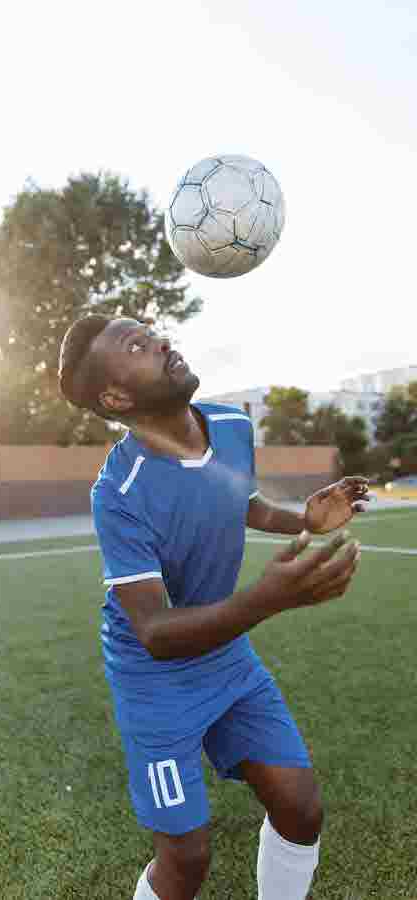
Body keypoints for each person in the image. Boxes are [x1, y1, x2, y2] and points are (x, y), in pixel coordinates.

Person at [58, 314, 368, 900]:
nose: (161, 342)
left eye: (151, 331)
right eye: (137, 345)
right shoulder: (119, 494)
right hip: (155, 680)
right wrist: (266, 599)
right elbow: (152, 630)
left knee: (300, 808)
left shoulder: (229, 424)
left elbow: (239, 500)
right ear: (115, 395)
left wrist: (302, 517)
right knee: (187, 858)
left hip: (225, 657)